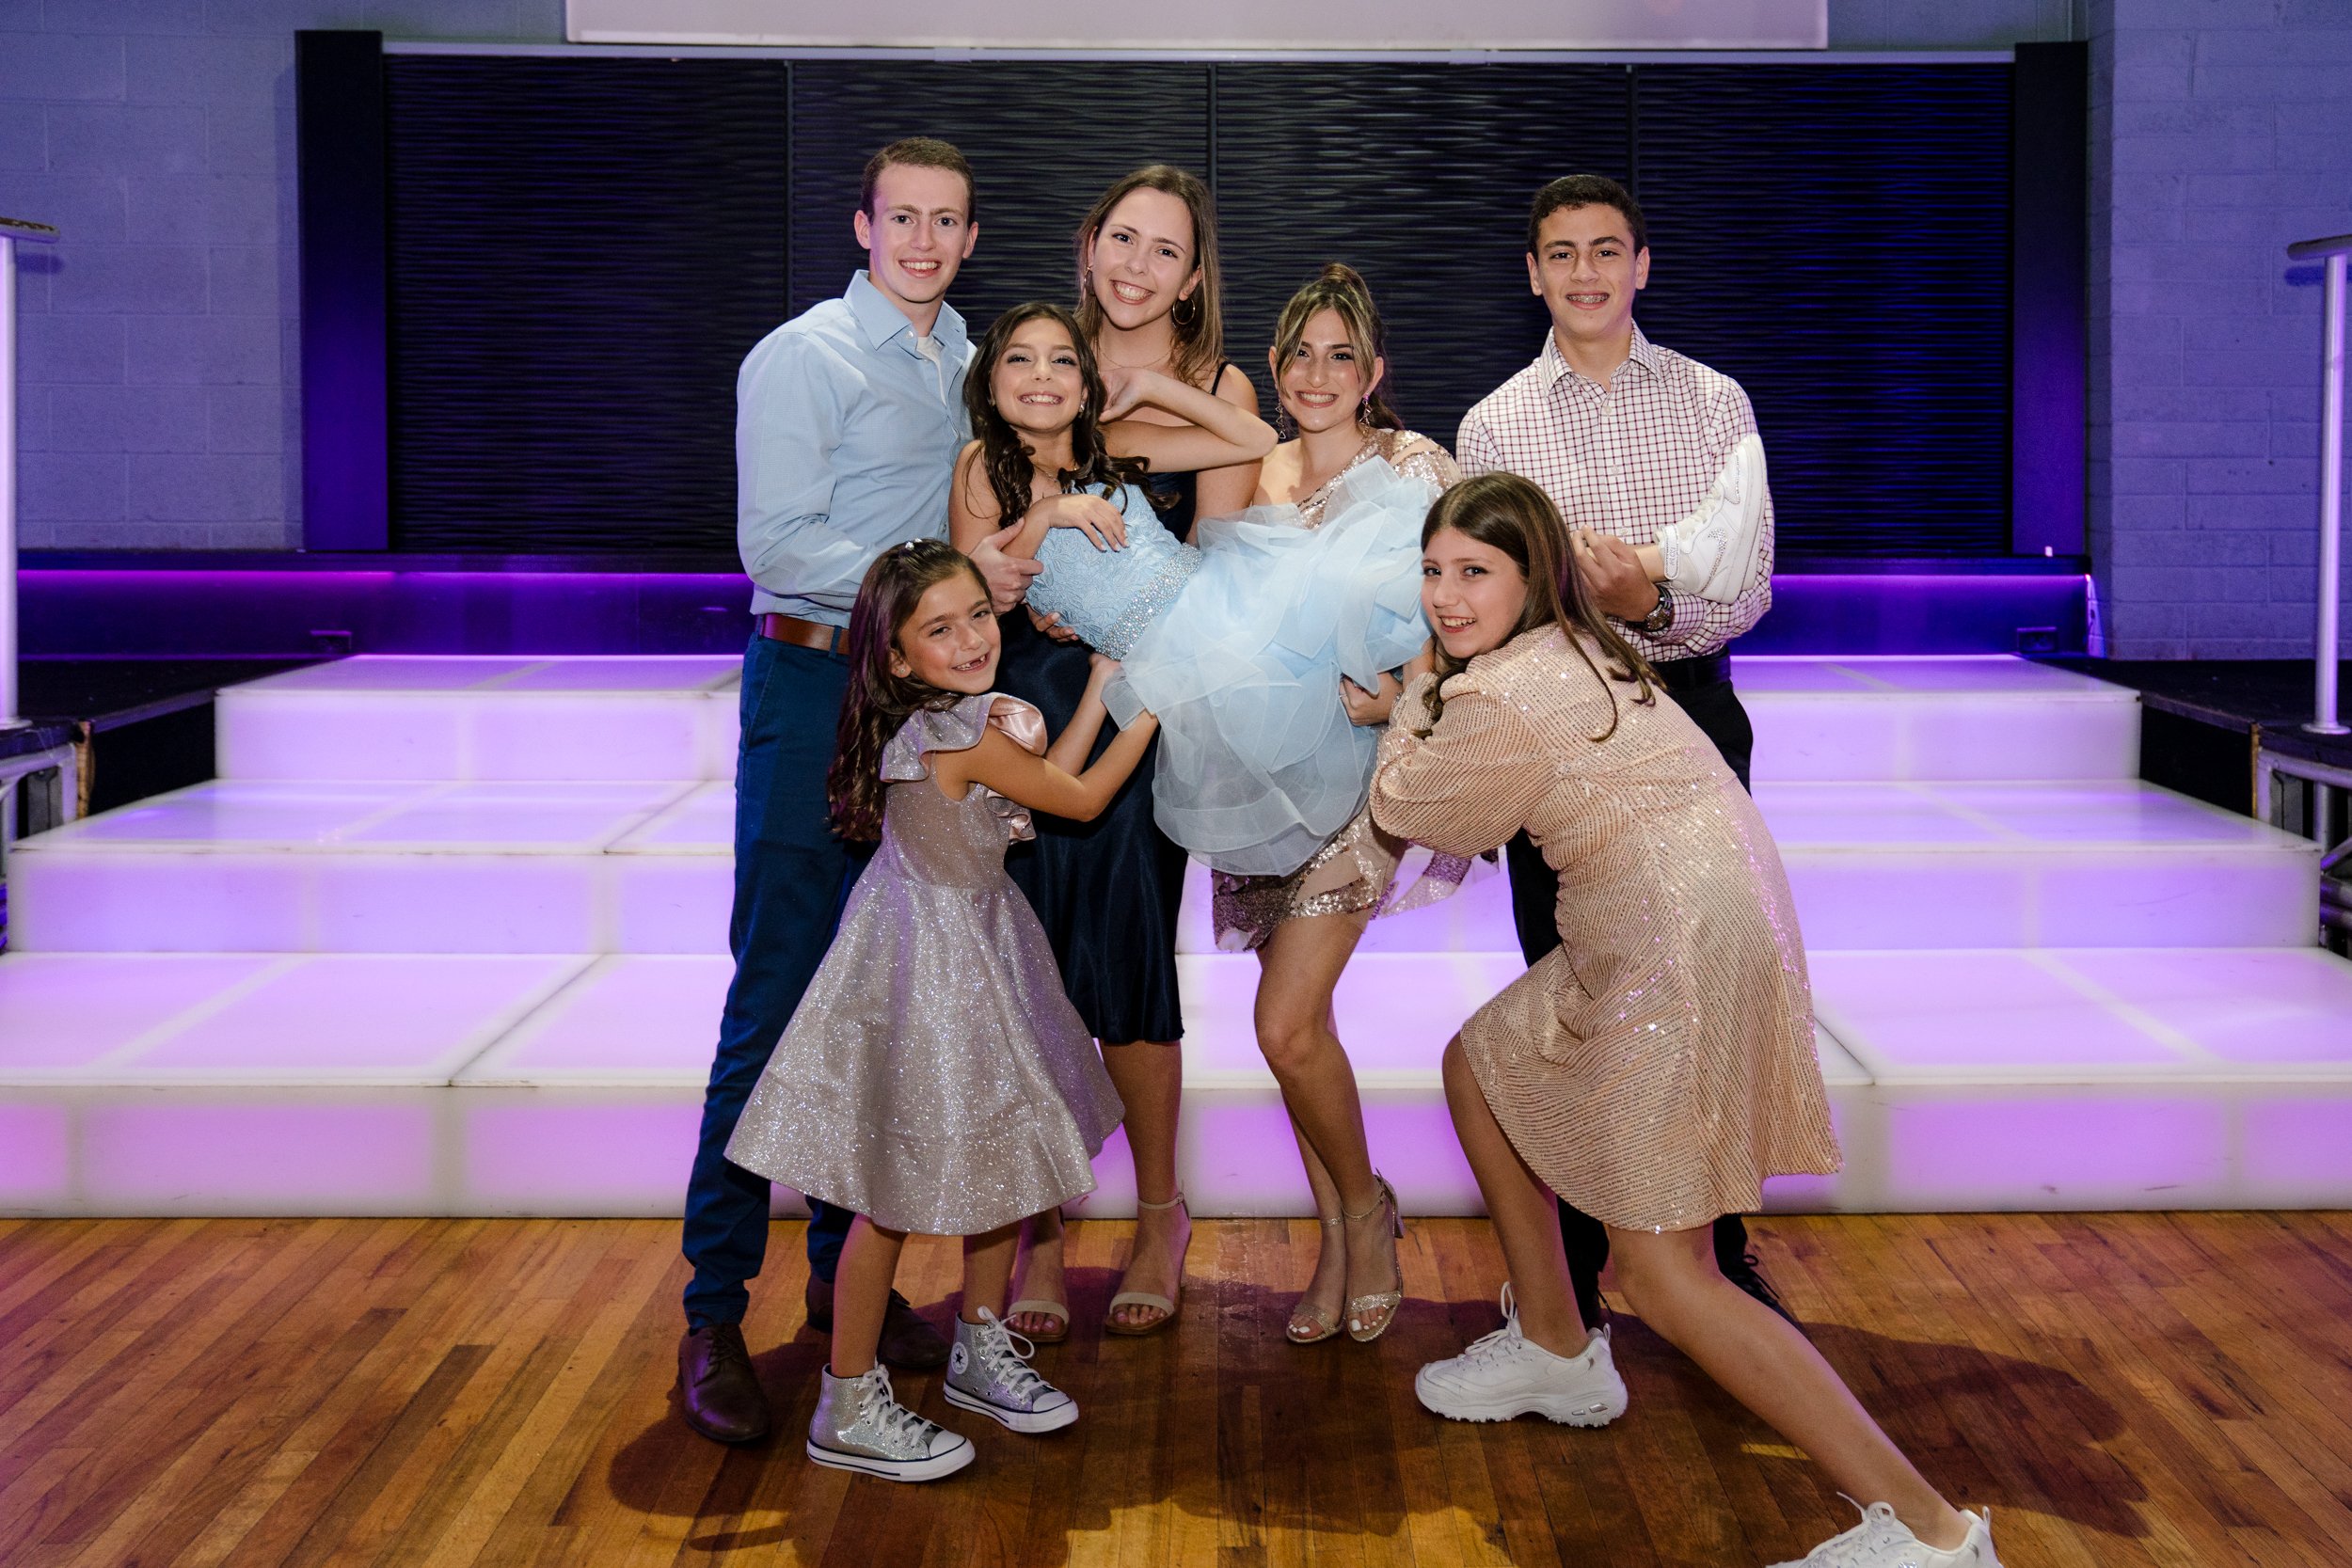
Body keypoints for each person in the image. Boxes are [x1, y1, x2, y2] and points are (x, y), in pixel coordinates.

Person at [1371, 474, 2001, 1568]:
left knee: (1666, 1274)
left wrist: (1409, 703)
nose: (1446, 595)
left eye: (1474, 572)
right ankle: (1557, 1347)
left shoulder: (1501, 690)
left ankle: (1933, 1534)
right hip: (1696, 917)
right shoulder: (1591, 648)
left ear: (1532, 580)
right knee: (1482, 1060)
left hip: (1670, 946)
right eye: (1432, 571)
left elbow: (1410, 811)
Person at [678, 137, 1040, 1447]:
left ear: (971, 235)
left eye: (949, 221)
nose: (926, 242)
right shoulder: (802, 357)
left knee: (873, 998)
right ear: (864, 223)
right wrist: (948, 581)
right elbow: (773, 543)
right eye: (906, 219)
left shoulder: (959, 362)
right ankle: (712, 1310)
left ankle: (845, 1298)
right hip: (810, 683)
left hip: (906, 695)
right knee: (775, 996)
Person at [726, 539, 1152, 1482]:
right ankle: (846, 1397)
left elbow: (1037, 773)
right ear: (894, 654)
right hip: (931, 959)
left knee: (998, 1155)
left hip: (978, 938)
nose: (968, 639)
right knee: (890, 1195)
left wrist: (1098, 691)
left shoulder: (961, 722)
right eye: (938, 628)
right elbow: (1076, 798)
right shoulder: (952, 734)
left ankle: (979, 1340)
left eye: (975, 616)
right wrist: (1152, 706)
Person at [1456, 172, 1787, 1328]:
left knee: (1707, 986)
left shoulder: (1711, 400)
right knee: (1574, 984)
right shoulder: (1495, 424)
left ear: (1641, 264)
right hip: (1556, 744)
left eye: (1606, 251)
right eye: (1561, 253)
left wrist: (1646, 602)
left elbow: (1744, 582)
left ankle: (1712, 1254)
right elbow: (1486, 597)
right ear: (1533, 271)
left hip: (1690, 715)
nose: (1585, 273)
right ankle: (1595, 1260)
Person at [997, 166, 1260, 1341]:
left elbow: (1230, 563)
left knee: (1127, 962)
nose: (1136, 265)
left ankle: (1159, 1209)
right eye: (1120, 238)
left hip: (1140, 708)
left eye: (1164, 250)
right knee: (1023, 965)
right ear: (1086, 240)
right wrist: (1027, 574)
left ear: (1194, 275)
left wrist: (1123, 607)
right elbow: (979, 526)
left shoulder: (1217, 390)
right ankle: (1037, 1225)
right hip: (1023, 701)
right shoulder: (1034, 360)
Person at [1204, 263, 1467, 1344]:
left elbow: (1469, 602)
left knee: (1283, 1021)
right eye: (1299, 353)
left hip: (1361, 787)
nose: (1318, 373)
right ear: (1272, 368)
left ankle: (1365, 1207)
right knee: (1294, 1033)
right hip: (1255, 784)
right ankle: (1339, 1234)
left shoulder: (1415, 465)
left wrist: (1403, 694)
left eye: (1340, 354)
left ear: (1375, 372)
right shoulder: (1246, 469)